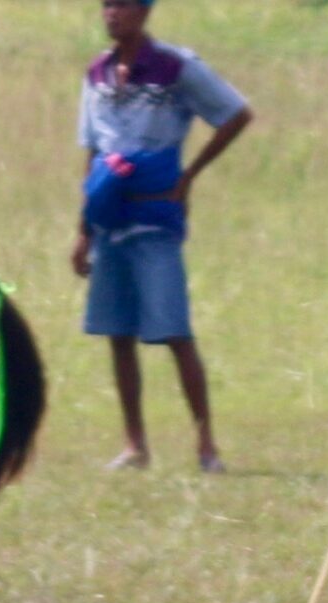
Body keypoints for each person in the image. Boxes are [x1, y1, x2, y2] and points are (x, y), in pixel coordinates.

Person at [70, 0, 251, 473]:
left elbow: (235, 114)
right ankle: (135, 444)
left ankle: (206, 444)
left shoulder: (175, 68)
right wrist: (83, 231)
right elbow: (92, 153)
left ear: (145, 11)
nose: (112, 13)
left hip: (154, 220)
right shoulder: (97, 75)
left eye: (123, 4)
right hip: (110, 221)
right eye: (106, 4)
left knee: (174, 331)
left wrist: (189, 175)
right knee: (118, 333)